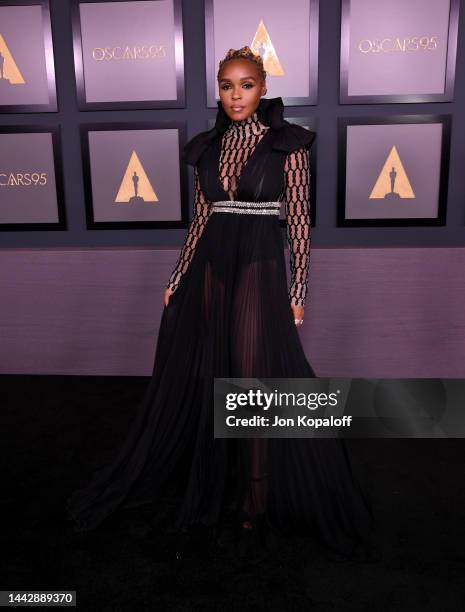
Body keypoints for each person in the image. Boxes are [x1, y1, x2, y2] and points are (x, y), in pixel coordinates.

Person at [67, 46, 376, 561]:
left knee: (252, 380)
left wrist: (298, 292)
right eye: (227, 85)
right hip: (211, 264)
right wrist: (177, 274)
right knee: (212, 372)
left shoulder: (288, 146)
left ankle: (256, 494)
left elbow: (298, 223)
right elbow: (200, 220)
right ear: (218, 89)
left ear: (263, 86)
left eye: (247, 84)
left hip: (257, 262)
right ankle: (214, 473)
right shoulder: (207, 147)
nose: (237, 94)